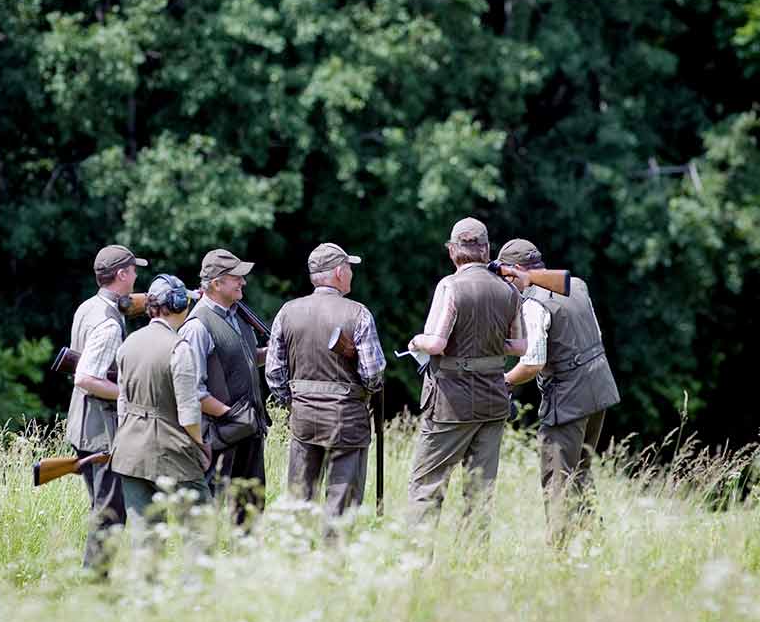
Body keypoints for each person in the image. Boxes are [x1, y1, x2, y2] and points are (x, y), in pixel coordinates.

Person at [406, 218, 525, 535]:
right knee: (480, 492)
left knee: (426, 486)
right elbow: (521, 345)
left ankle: (415, 566)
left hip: (450, 403)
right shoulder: (509, 290)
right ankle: (471, 568)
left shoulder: (450, 286)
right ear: (486, 250)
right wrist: (488, 344)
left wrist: (416, 341)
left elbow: (436, 344)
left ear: (452, 251)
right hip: (493, 402)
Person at [499, 238, 620, 548]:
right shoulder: (577, 285)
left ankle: (561, 553)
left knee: (557, 481)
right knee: (581, 473)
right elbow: (596, 336)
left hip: (568, 398)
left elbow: (533, 363)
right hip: (599, 388)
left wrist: (504, 381)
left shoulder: (534, 303)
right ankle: (593, 545)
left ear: (515, 273)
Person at [265, 243, 386, 520]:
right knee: (340, 505)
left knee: (299, 500)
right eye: (350, 269)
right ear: (340, 272)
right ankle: (334, 558)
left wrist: (294, 401)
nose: (352, 275)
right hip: (347, 421)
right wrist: (359, 395)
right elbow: (373, 374)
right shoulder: (359, 313)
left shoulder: (286, 311)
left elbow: (273, 372)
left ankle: (296, 556)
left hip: (304, 419)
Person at [66, 244, 146, 569]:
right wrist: (128, 394)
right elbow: (85, 378)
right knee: (110, 513)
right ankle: (95, 586)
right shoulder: (109, 324)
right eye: (133, 270)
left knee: (101, 509)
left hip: (82, 424)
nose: (137, 275)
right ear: (122, 275)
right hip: (102, 431)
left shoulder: (89, 307)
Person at [177, 249, 269, 526]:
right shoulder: (196, 326)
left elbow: (247, 359)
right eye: (236, 277)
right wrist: (231, 416)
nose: (243, 282)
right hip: (219, 435)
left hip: (247, 431)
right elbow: (193, 390)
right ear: (216, 283)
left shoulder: (238, 317)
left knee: (251, 511)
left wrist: (273, 351)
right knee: (210, 516)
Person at [111, 274, 209, 527]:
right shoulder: (180, 348)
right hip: (172, 452)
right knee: (199, 531)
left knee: (144, 538)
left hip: (129, 452)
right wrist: (201, 446)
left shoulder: (128, 343)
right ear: (177, 304)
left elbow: (123, 403)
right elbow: (188, 414)